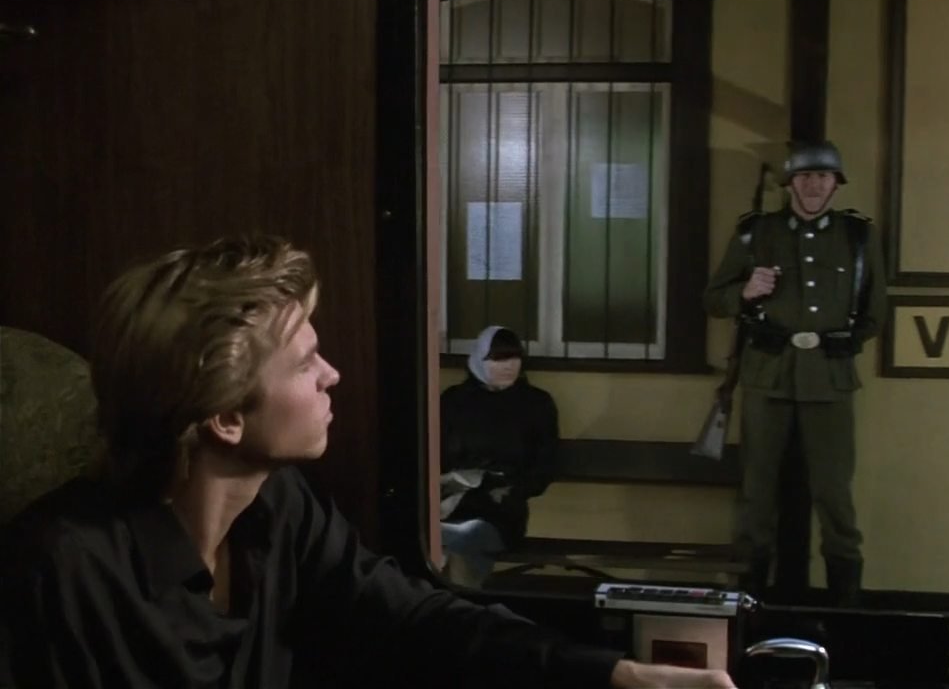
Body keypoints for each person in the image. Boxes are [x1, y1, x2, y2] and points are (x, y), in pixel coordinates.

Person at [0, 235, 735, 688]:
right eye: (305, 362)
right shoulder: (57, 572)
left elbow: (412, 618)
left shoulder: (280, 508)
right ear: (225, 417)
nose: (333, 375)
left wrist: (613, 673)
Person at [703, 140, 886, 607]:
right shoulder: (756, 233)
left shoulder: (857, 236)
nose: (813, 185)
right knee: (757, 492)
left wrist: (841, 344)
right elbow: (714, 299)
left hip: (830, 379)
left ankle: (845, 601)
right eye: (805, 177)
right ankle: (749, 596)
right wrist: (745, 291)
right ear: (789, 184)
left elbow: (875, 312)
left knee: (834, 494)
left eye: (823, 177)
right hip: (768, 375)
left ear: (836, 184)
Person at [439, 325, 556, 587]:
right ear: (478, 360)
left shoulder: (535, 404)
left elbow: (545, 465)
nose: (508, 366)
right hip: (452, 504)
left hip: (501, 510)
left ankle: (458, 600)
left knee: (463, 538)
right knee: (434, 535)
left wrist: (512, 489)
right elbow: (436, 455)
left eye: (514, 358)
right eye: (498, 359)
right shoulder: (455, 400)